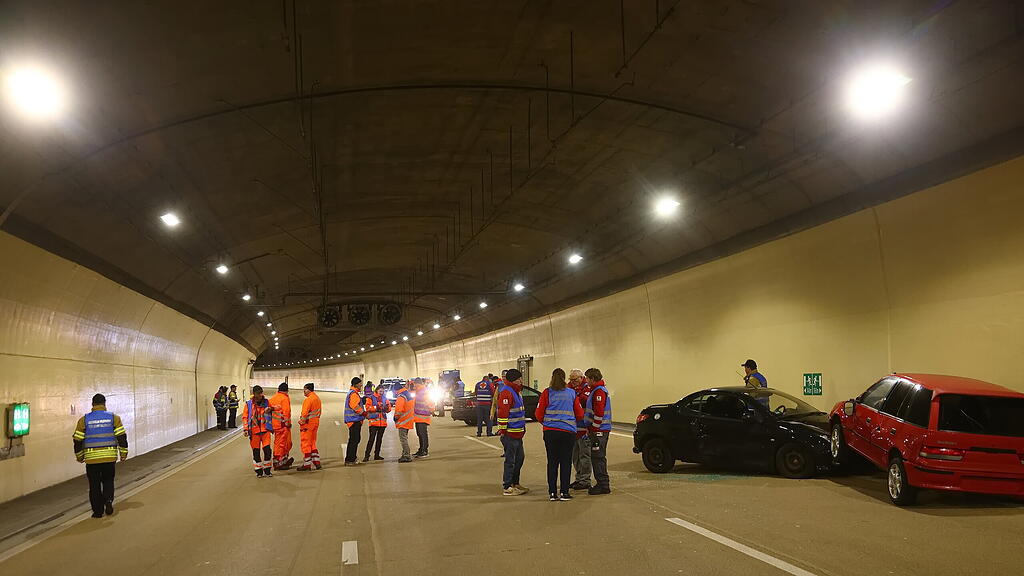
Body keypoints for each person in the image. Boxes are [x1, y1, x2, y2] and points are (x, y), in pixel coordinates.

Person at [72, 393, 128, 518]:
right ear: (104, 404)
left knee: (94, 484)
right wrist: (123, 453)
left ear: (92, 404)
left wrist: (79, 456)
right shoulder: (114, 418)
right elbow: (121, 437)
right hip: (109, 457)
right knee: (108, 480)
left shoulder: (84, 420)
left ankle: (97, 511)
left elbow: (77, 440)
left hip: (91, 459)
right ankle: (108, 501)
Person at [536, 369, 584, 501]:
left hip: (550, 432)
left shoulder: (547, 392)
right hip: (568, 432)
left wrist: (548, 424)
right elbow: (580, 414)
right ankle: (564, 492)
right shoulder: (571, 393)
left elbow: (538, 414)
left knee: (552, 462)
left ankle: (552, 493)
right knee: (565, 462)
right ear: (565, 378)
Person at [496, 368, 529, 496]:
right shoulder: (506, 392)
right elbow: (503, 413)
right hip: (510, 433)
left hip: (518, 432)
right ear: (514, 380)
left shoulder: (516, 392)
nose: (521, 380)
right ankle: (507, 486)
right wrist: (503, 429)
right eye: (519, 378)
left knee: (519, 458)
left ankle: (515, 483)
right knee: (510, 460)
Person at [584, 368, 612, 495]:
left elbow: (599, 412)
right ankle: (602, 483)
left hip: (599, 431)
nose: (586, 381)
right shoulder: (598, 390)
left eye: (587, 378)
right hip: (600, 430)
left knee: (598, 457)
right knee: (598, 457)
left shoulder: (598, 392)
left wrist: (594, 428)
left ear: (592, 379)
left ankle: (603, 484)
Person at [242, 385, 275, 478]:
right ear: (254, 394)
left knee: (267, 451)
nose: (260, 395)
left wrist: (271, 409)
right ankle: (259, 471)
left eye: (261, 393)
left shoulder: (267, 402)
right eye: (258, 394)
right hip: (254, 432)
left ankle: (267, 470)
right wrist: (245, 429)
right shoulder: (249, 404)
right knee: (256, 452)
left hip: (265, 431)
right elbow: (245, 417)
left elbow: (276, 409)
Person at [568, 369, 593, 490]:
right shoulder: (569, 388)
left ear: (581, 378)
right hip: (573, 428)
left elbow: (583, 400)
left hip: (584, 428)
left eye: (575, 379)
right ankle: (579, 478)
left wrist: (575, 395)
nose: (572, 382)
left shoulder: (587, 388)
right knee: (575, 456)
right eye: (571, 379)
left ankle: (585, 480)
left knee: (585, 455)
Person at [297, 383, 322, 471]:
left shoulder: (308, 400)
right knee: (313, 443)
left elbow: (304, 413)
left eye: (304, 389)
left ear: (308, 389)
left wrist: (301, 421)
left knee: (306, 444)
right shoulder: (317, 398)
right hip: (315, 423)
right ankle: (316, 462)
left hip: (307, 425)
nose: (303, 391)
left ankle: (307, 464)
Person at [268, 383, 294, 470]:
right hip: (283, 425)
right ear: (287, 390)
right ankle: (280, 461)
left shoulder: (273, 398)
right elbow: (286, 412)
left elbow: (269, 411)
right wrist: (287, 423)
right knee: (284, 443)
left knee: (277, 442)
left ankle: (279, 460)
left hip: (275, 425)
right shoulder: (285, 398)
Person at [363, 383, 390, 462]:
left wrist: (387, 408)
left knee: (379, 440)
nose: (381, 393)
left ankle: (377, 455)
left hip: (382, 423)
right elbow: (368, 408)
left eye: (383, 391)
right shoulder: (371, 398)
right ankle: (366, 456)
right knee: (371, 439)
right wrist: (376, 408)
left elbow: (389, 409)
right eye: (380, 391)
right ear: (377, 390)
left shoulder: (385, 398)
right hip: (374, 423)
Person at [344, 377, 366, 465]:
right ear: (356, 384)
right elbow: (355, 406)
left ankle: (351, 458)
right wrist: (363, 413)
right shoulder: (353, 394)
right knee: (354, 440)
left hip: (353, 420)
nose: (361, 385)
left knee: (354, 440)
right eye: (360, 383)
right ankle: (350, 459)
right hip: (354, 420)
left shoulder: (353, 393)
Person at [393, 381, 415, 462]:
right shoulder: (407, 394)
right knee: (405, 438)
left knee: (403, 439)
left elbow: (399, 409)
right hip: (408, 420)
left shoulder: (401, 396)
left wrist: (395, 417)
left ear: (396, 390)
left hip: (403, 421)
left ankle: (406, 455)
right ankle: (405, 454)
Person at [412, 378, 434, 458]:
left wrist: (431, 410)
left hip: (423, 416)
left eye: (415, 383)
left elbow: (430, 402)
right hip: (418, 416)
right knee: (419, 434)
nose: (414, 385)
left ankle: (424, 450)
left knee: (422, 434)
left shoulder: (424, 391)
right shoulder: (418, 391)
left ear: (418, 383)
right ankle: (421, 449)